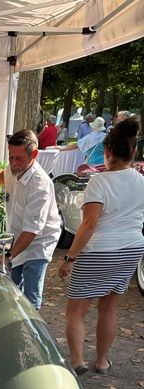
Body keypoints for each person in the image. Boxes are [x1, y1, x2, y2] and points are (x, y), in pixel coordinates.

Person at [59, 117, 144, 375]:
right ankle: (102, 361)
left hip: (99, 251)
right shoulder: (141, 181)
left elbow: (89, 224)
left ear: (106, 151)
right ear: (133, 150)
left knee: (77, 309)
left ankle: (77, 361)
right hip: (131, 249)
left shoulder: (98, 182)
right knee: (108, 307)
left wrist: (70, 258)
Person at [0, 129, 61, 310]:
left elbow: (31, 231)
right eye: (10, 157)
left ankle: (31, 323)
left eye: (19, 158)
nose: (13, 163)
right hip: (18, 237)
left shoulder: (40, 185)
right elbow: (3, 177)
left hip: (38, 243)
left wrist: (8, 256)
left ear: (34, 155)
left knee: (30, 296)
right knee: (12, 287)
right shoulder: (14, 169)